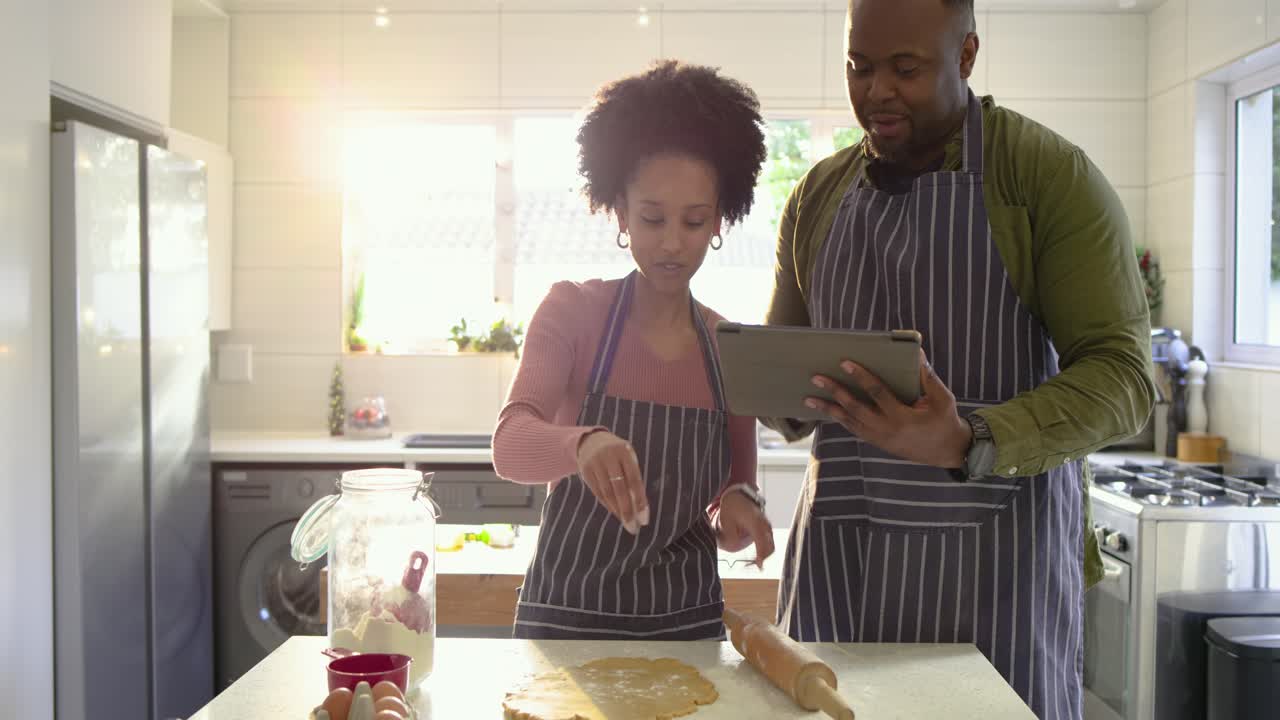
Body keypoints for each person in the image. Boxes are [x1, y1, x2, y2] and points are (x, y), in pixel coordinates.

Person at [764, 1, 1155, 717]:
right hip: (840, 568)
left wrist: (968, 437)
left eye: (905, 68)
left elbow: (1125, 378)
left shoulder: (1045, 178)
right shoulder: (818, 194)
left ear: (967, 54)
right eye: (859, 66)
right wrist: (757, 383)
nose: (877, 90)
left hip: (998, 577)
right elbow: (786, 379)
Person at [493, 60, 776, 640]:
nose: (672, 242)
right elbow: (511, 445)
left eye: (694, 222)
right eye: (652, 219)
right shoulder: (571, 311)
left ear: (720, 221)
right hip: (565, 629)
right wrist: (583, 444)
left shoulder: (731, 350)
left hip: (687, 631)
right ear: (620, 212)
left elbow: (730, 499)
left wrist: (742, 512)